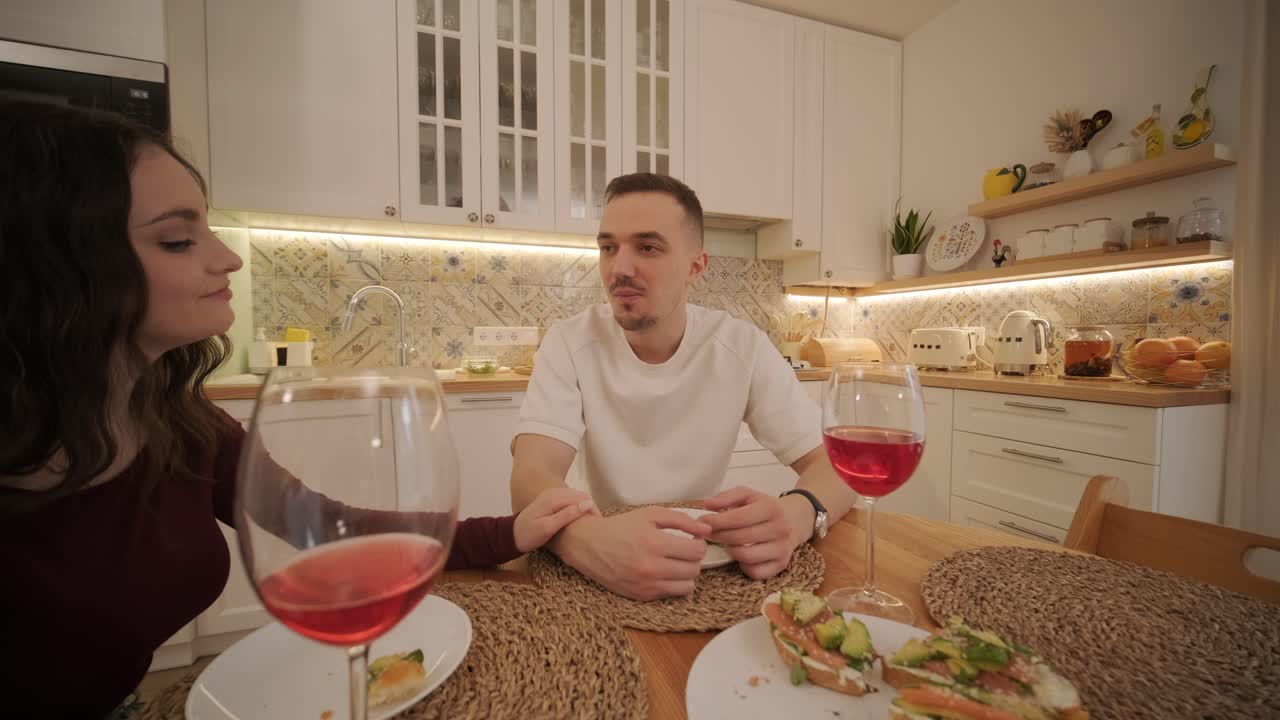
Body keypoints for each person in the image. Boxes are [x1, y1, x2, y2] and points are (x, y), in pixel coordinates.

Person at [0, 100, 595, 719]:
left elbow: (327, 528)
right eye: (177, 240)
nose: (228, 258)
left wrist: (506, 533)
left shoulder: (180, 425)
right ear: (54, 264)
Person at [509, 173, 856, 601]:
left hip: (702, 560)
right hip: (602, 548)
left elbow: (840, 467)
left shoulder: (741, 348)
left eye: (647, 247)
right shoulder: (569, 342)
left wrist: (797, 514)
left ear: (696, 267)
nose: (619, 269)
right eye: (608, 247)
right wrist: (585, 541)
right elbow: (531, 475)